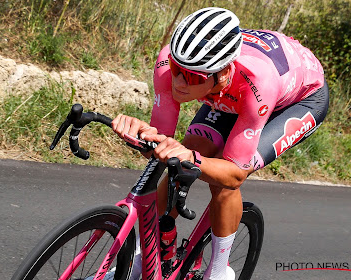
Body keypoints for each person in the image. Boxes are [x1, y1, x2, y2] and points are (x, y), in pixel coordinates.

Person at [111, 7, 329, 280]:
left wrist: (195, 158)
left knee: (223, 181)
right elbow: (161, 144)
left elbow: (234, 174)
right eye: (178, 70)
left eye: (192, 77)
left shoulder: (257, 84)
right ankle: (143, 263)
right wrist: (142, 132)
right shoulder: (169, 62)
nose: (178, 82)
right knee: (180, 160)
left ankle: (218, 272)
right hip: (231, 94)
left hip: (298, 99)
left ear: (223, 73)